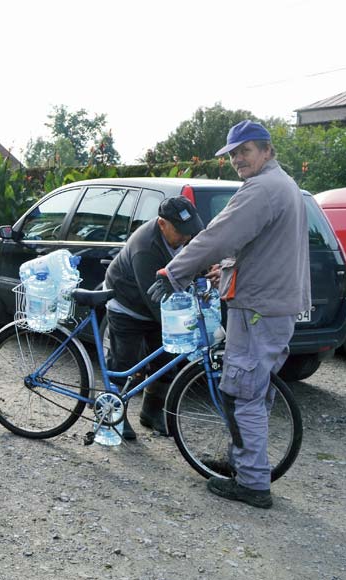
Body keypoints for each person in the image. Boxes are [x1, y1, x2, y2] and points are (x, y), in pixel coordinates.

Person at [148, 120, 310, 509]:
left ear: (267, 151)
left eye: (246, 151)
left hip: (258, 308)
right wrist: (231, 269)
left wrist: (175, 272)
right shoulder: (284, 185)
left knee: (243, 393)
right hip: (272, 303)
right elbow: (264, 246)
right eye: (233, 153)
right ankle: (240, 462)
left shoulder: (262, 189)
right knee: (254, 389)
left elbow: (218, 235)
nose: (238, 159)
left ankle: (252, 483)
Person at [103, 196, 204, 440]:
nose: (186, 238)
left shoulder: (186, 234)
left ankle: (151, 412)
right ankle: (113, 415)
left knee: (165, 360)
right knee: (124, 364)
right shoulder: (145, 248)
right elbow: (155, 302)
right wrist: (184, 329)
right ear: (162, 224)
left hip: (157, 303)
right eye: (180, 232)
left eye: (189, 232)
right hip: (127, 303)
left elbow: (194, 260)